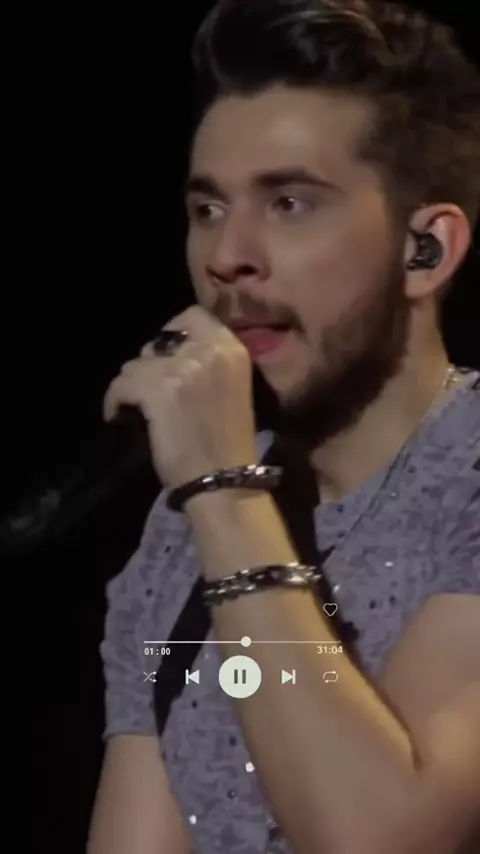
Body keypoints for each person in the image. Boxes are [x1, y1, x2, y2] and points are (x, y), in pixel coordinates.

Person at [87, 1, 480, 852]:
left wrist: (224, 493)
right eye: (207, 209)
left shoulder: (466, 478)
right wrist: (215, 494)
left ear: (425, 251)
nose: (227, 257)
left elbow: (380, 838)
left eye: (290, 203)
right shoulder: (184, 525)